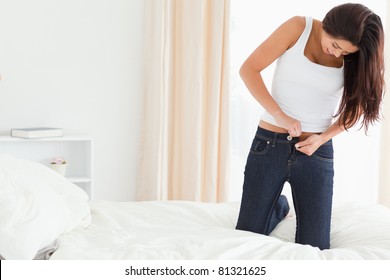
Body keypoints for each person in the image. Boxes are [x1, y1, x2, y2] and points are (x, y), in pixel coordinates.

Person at [235, 3, 384, 250]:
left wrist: (323, 138)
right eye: (335, 45)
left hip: (315, 152)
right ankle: (279, 206)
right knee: (248, 235)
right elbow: (249, 69)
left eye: (345, 53)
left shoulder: (353, 55)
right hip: (269, 144)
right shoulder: (298, 28)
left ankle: (279, 206)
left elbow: (358, 106)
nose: (337, 54)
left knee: (314, 245)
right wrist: (279, 115)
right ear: (327, 24)